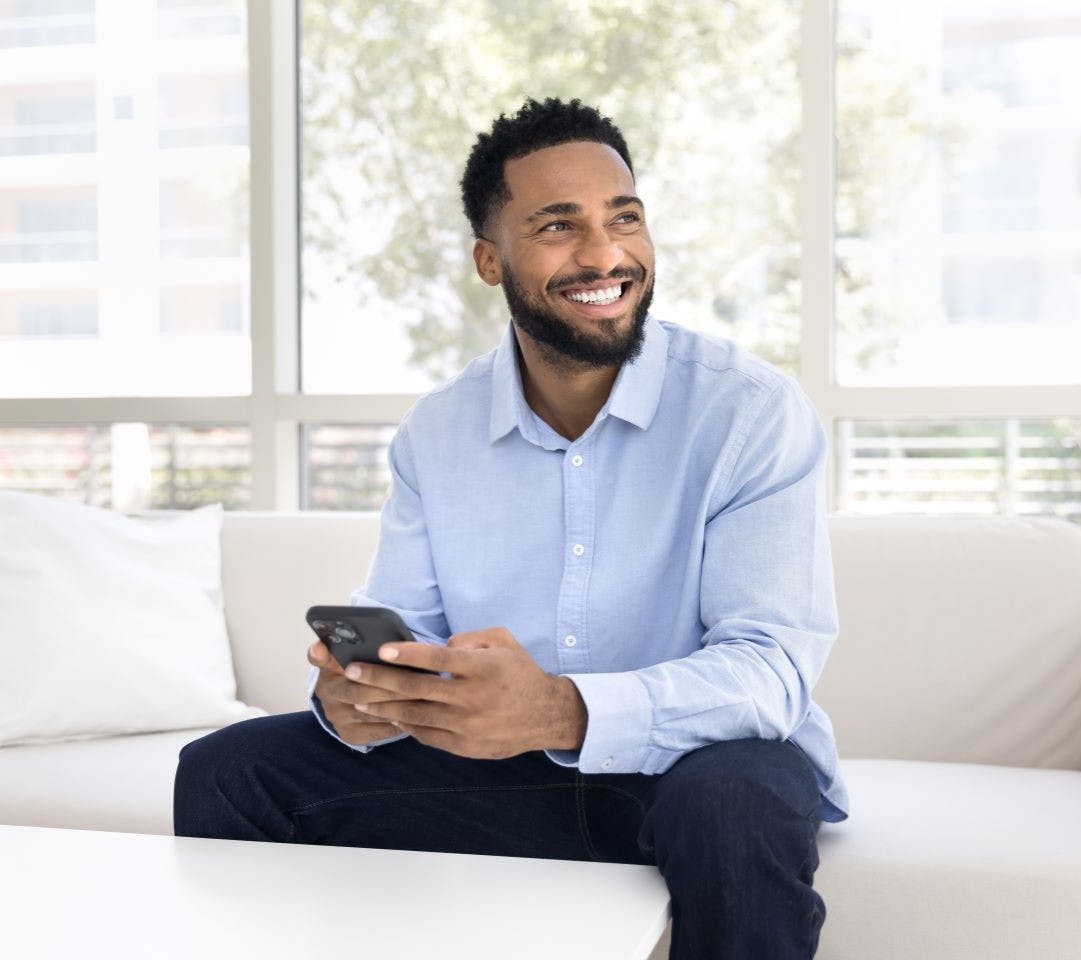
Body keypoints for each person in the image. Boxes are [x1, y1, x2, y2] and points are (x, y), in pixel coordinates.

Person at [174, 97, 849, 959]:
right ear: (490, 261)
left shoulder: (747, 412)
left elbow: (770, 671)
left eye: (624, 219)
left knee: (732, 801)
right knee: (228, 769)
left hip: (692, 773)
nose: (604, 255)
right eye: (559, 226)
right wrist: (361, 700)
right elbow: (402, 620)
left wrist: (563, 711)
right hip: (498, 777)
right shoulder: (438, 430)